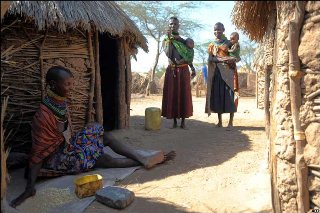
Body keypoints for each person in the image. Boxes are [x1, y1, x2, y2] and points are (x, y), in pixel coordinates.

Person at [10, 66, 176, 208]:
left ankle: (142, 158)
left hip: (68, 147)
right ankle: (146, 160)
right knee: (103, 159)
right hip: (58, 159)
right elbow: (39, 153)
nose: (71, 87)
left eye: (71, 83)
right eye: (67, 84)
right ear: (53, 85)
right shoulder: (43, 116)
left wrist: (80, 143)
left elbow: (67, 135)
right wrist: (30, 187)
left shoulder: (58, 102)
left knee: (101, 133)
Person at [162, 16, 195, 129]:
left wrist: (193, 68)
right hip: (172, 70)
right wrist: (170, 39)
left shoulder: (185, 41)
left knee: (184, 94)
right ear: (168, 25)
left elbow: (188, 55)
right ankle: (175, 122)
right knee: (173, 94)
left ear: (178, 25)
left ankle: (183, 122)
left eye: (175, 24)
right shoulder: (166, 41)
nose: (173, 26)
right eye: (171, 24)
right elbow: (169, 54)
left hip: (184, 70)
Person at [205, 22, 239, 127]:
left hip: (229, 72)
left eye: (219, 29)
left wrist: (229, 59)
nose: (217, 32)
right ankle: (219, 121)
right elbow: (210, 58)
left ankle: (230, 122)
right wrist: (223, 59)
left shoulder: (230, 42)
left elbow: (236, 57)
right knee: (218, 95)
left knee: (229, 95)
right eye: (215, 30)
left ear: (223, 30)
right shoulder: (212, 44)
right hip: (217, 72)